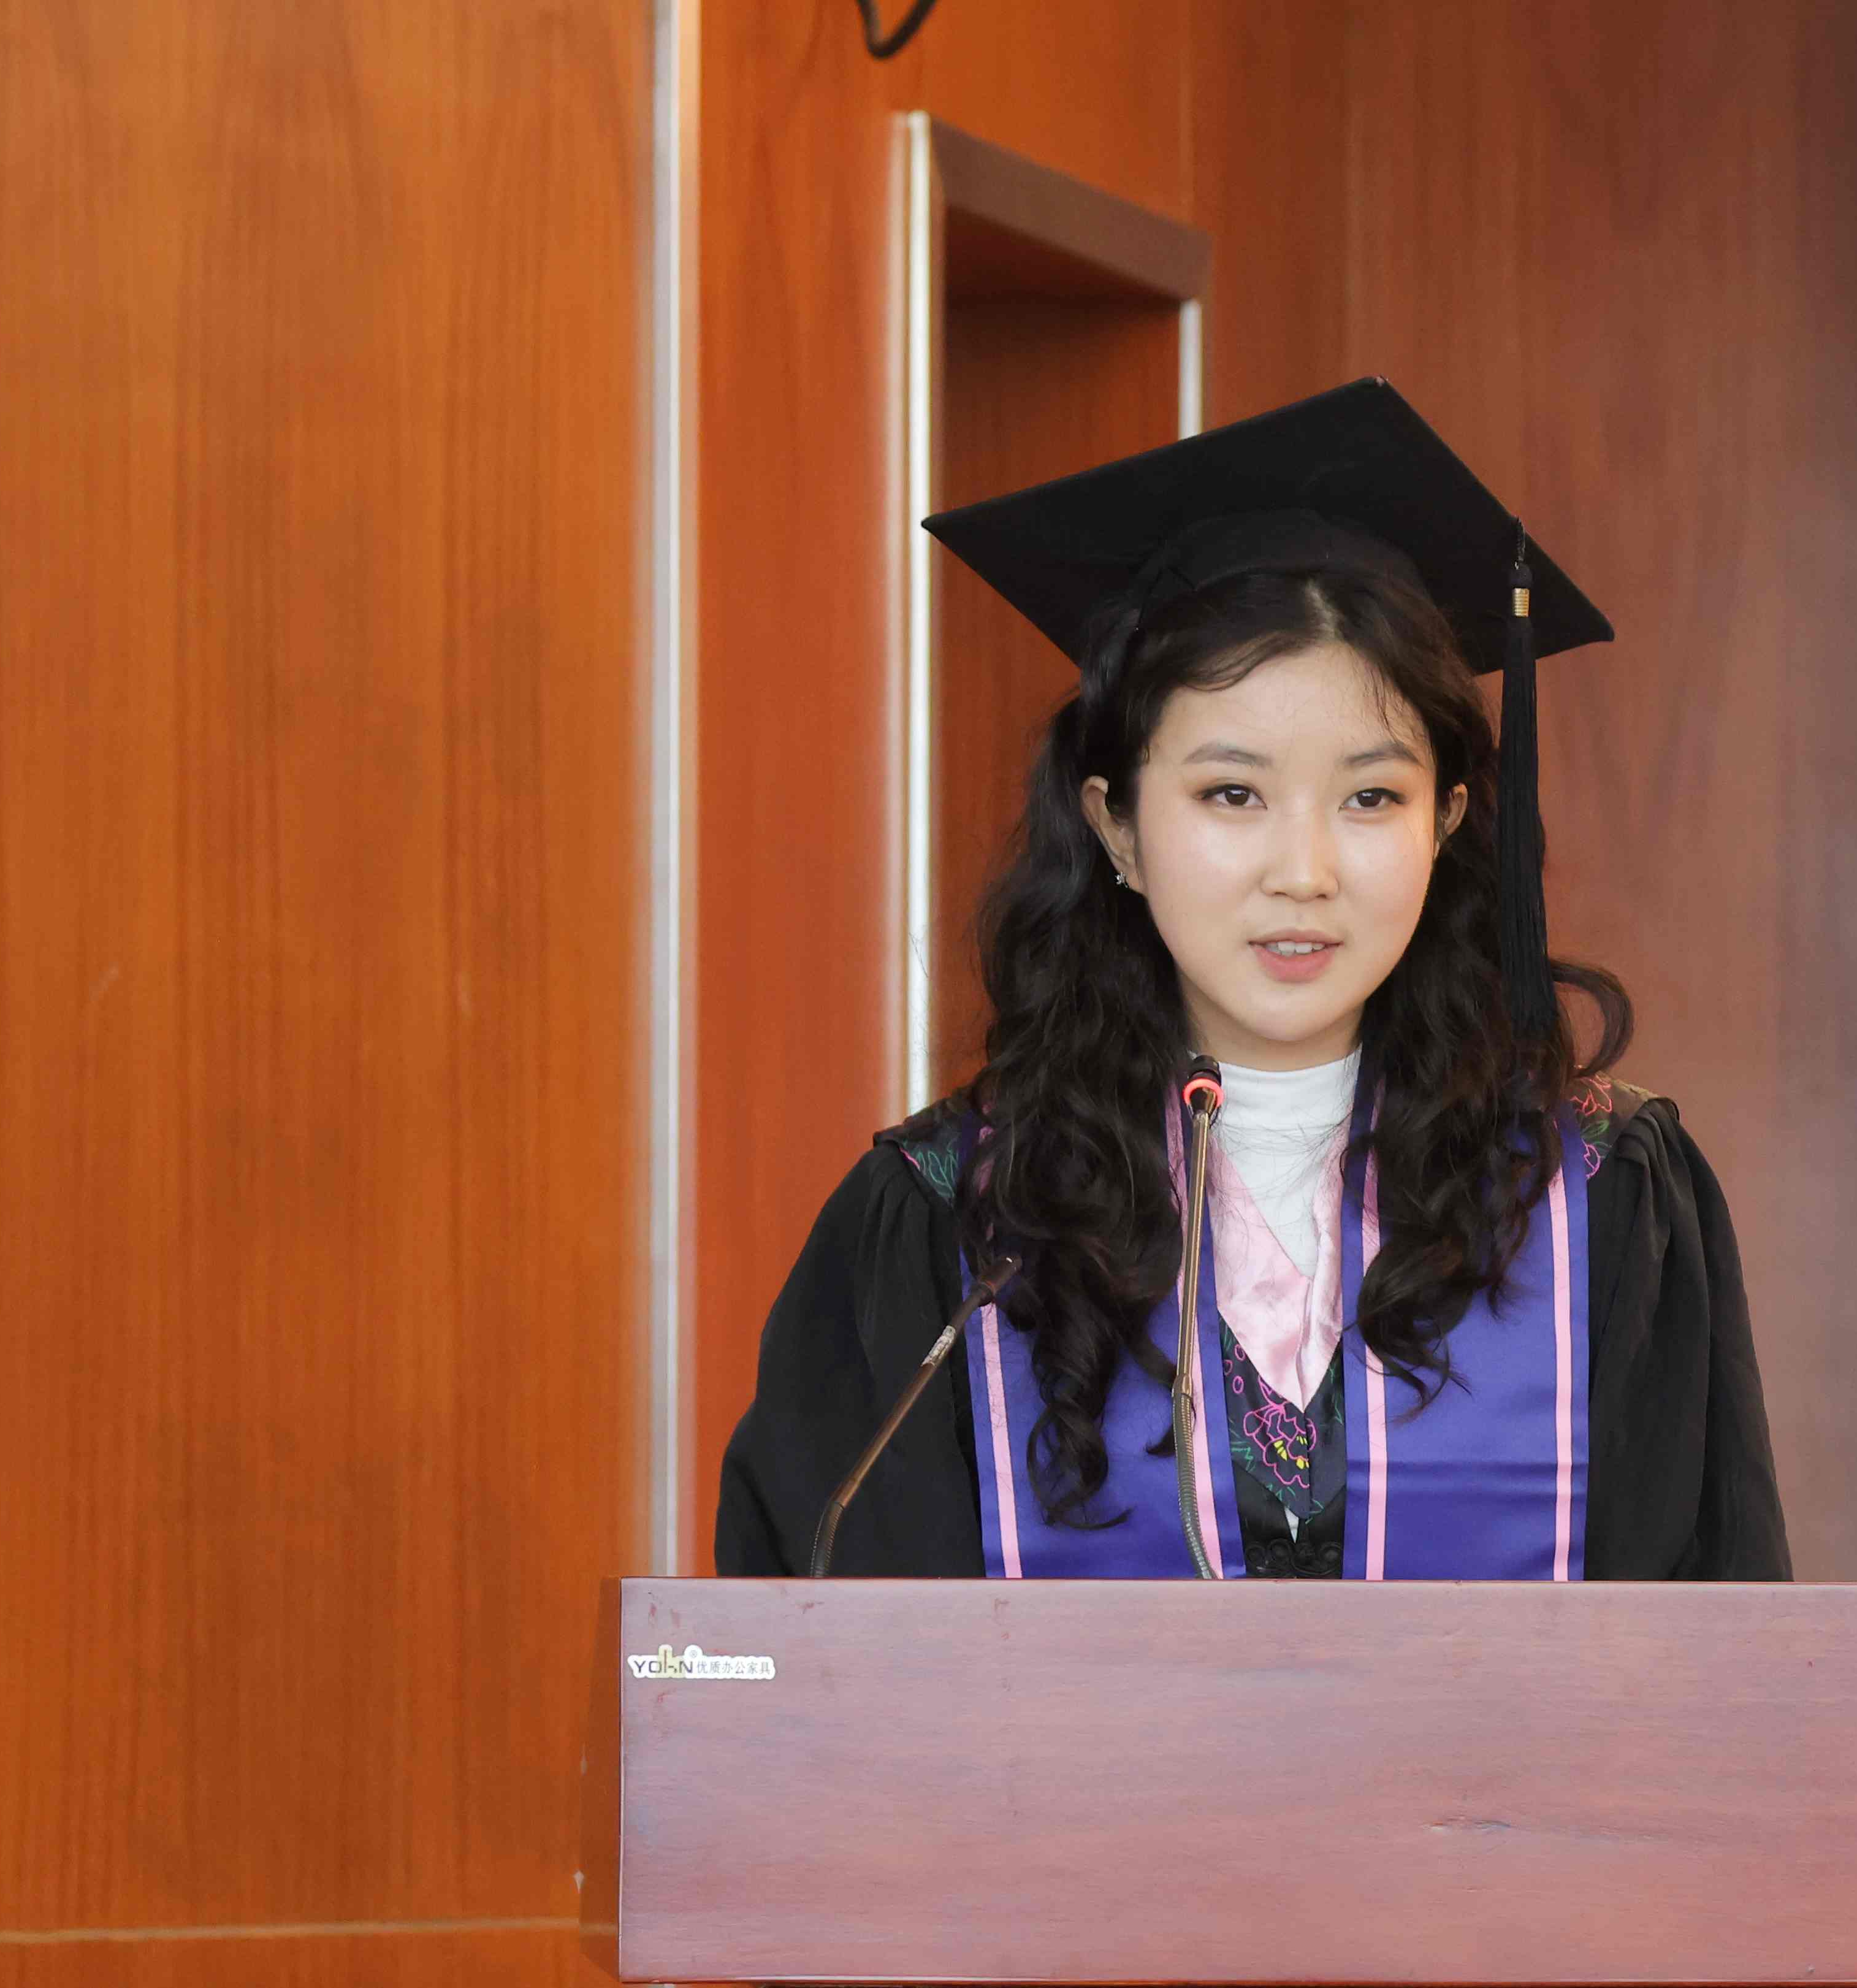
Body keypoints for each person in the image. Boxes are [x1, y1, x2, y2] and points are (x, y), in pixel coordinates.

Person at [715, 379, 1788, 1590]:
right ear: (1117, 825)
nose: (1304, 870)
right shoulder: (957, 1222)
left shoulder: (1594, 1197)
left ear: (1444, 821)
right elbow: (826, 1666)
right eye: (1232, 793)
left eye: (1370, 796)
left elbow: (1714, 1665)